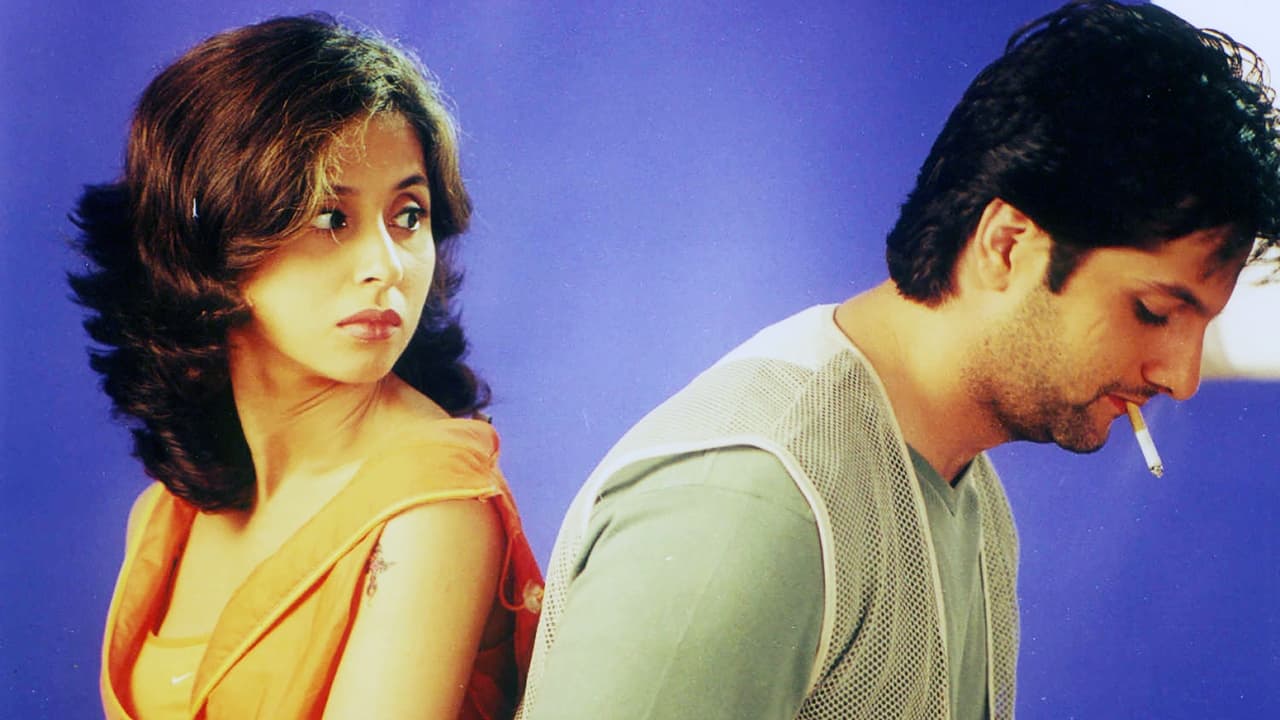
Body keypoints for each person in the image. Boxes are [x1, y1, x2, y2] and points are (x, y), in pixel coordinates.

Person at [516, 2, 1280, 719]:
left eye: (1200, 328)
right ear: (1007, 246)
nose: (1181, 376)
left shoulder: (968, 495)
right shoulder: (753, 508)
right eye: (1154, 312)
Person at [73, 16, 543, 719]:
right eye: (330, 217)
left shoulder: (433, 509)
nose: (386, 265)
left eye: (408, 215)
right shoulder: (166, 515)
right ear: (209, 239)